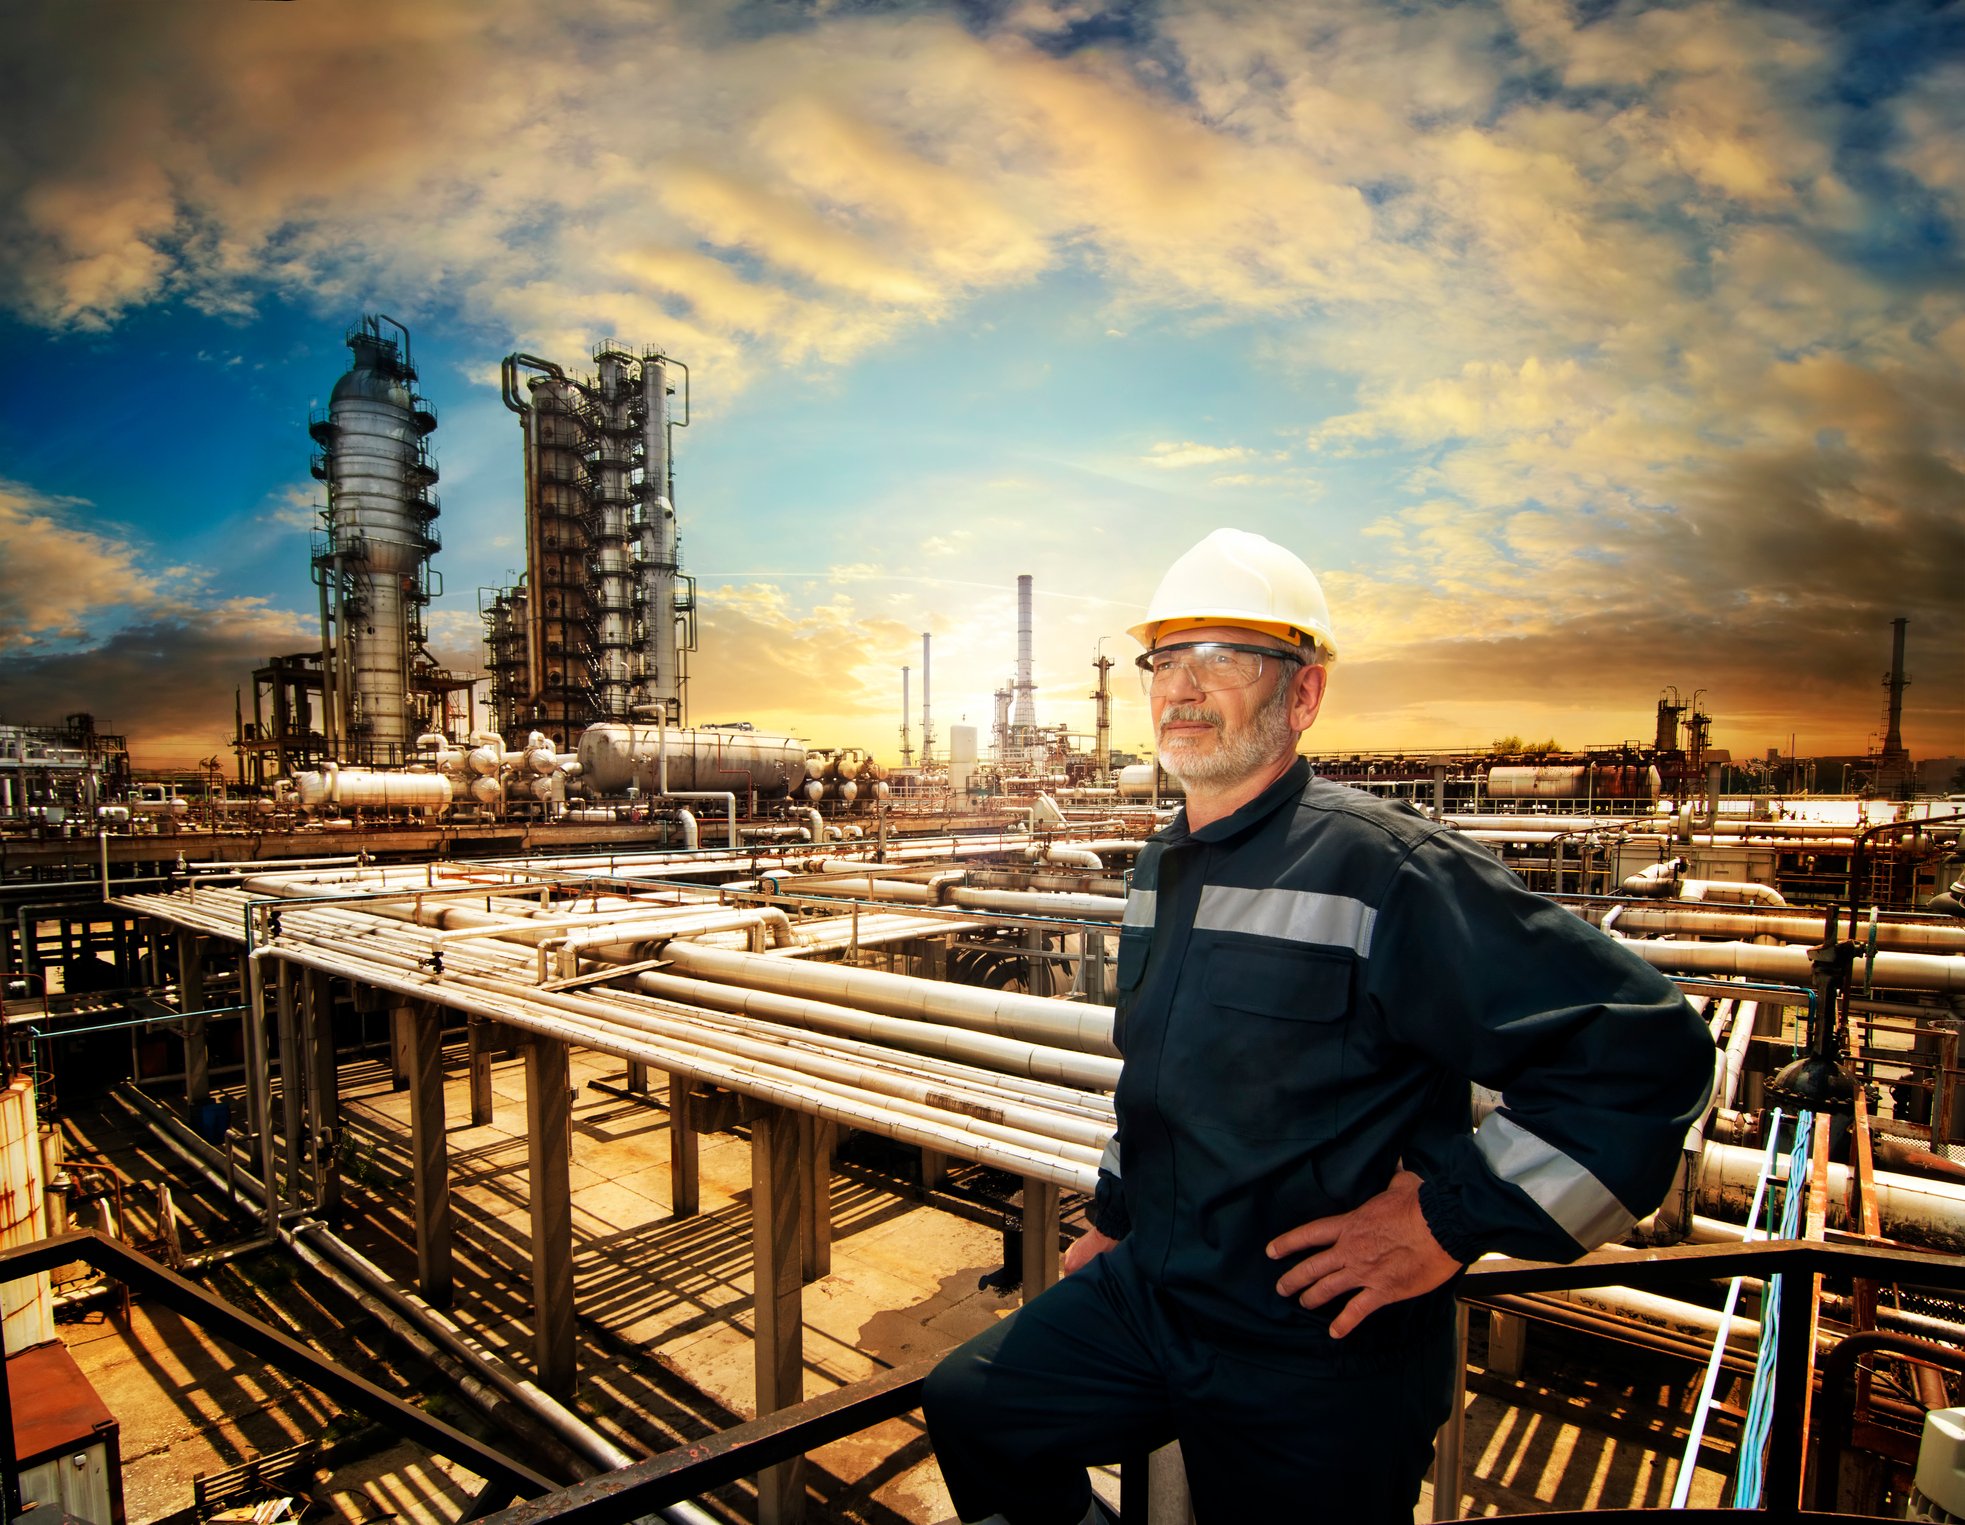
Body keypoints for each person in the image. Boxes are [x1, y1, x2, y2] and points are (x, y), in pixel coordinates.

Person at [922, 527, 1717, 1525]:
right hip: (1161, 1293)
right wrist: (1118, 1217)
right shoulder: (1160, 868)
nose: (1183, 689)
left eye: (1227, 658)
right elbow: (1159, 1077)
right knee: (976, 1409)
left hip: (1316, 1349)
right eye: (1166, 660)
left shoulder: (1388, 870)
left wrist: (1447, 1219)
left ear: (1302, 695)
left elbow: (1643, 1051)